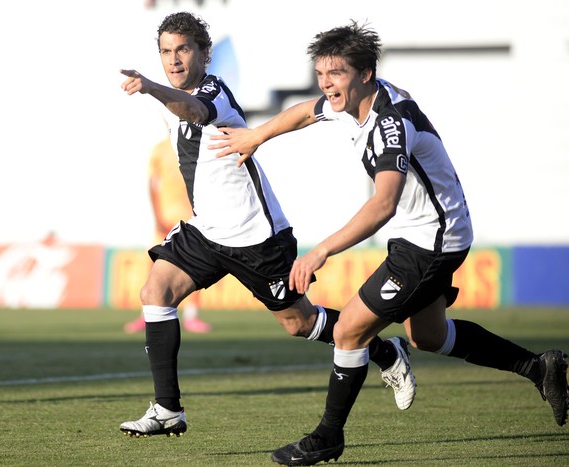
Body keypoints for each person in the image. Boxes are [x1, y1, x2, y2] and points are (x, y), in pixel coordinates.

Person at [210, 21, 569, 465]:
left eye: (336, 74)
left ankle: (328, 437)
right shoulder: (357, 99)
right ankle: (540, 367)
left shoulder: (390, 124)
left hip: (432, 241)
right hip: (426, 233)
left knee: (348, 330)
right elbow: (305, 111)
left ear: (365, 73)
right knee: (430, 336)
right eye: (322, 73)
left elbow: (383, 205)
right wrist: (256, 136)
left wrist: (320, 250)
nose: (326, 84)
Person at [117, 12, 416, 439]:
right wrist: (157, 92)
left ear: (205, 53)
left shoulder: (211, 91)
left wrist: (150, 87)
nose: (174, 59)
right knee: (155, 291)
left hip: (256, 236)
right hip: (207, 231)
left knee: (300, 323)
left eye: (183, 49)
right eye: (166, 51)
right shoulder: (170, 100)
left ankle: (385, 350)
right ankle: (168, 408)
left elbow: (195, 110)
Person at [124, 137, 211, 334]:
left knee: (196, 264)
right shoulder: (160, 149)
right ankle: (146, 314)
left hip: (190, 216)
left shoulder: (198, 144)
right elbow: (152, 185)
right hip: (165, 218)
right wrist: (157, 217)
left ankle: (192, 316)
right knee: (153, 264)